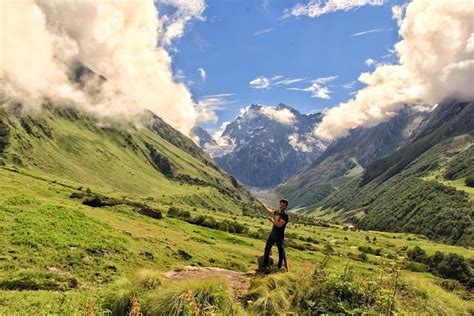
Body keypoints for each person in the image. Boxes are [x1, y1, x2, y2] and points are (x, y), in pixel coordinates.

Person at [262, 199, 289, 272]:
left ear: (286, 206)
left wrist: (272, 221)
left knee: (280, 252)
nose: (282, 206)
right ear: (280, 204)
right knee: (267, 248)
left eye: (284, 205)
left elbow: (280, 225)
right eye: (281, 205)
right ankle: (265, 265)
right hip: (273, 234)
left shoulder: (285, 215)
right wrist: (264, 207)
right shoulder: (277, 211)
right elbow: (270, 211)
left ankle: (279, 267)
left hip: (279, 236)